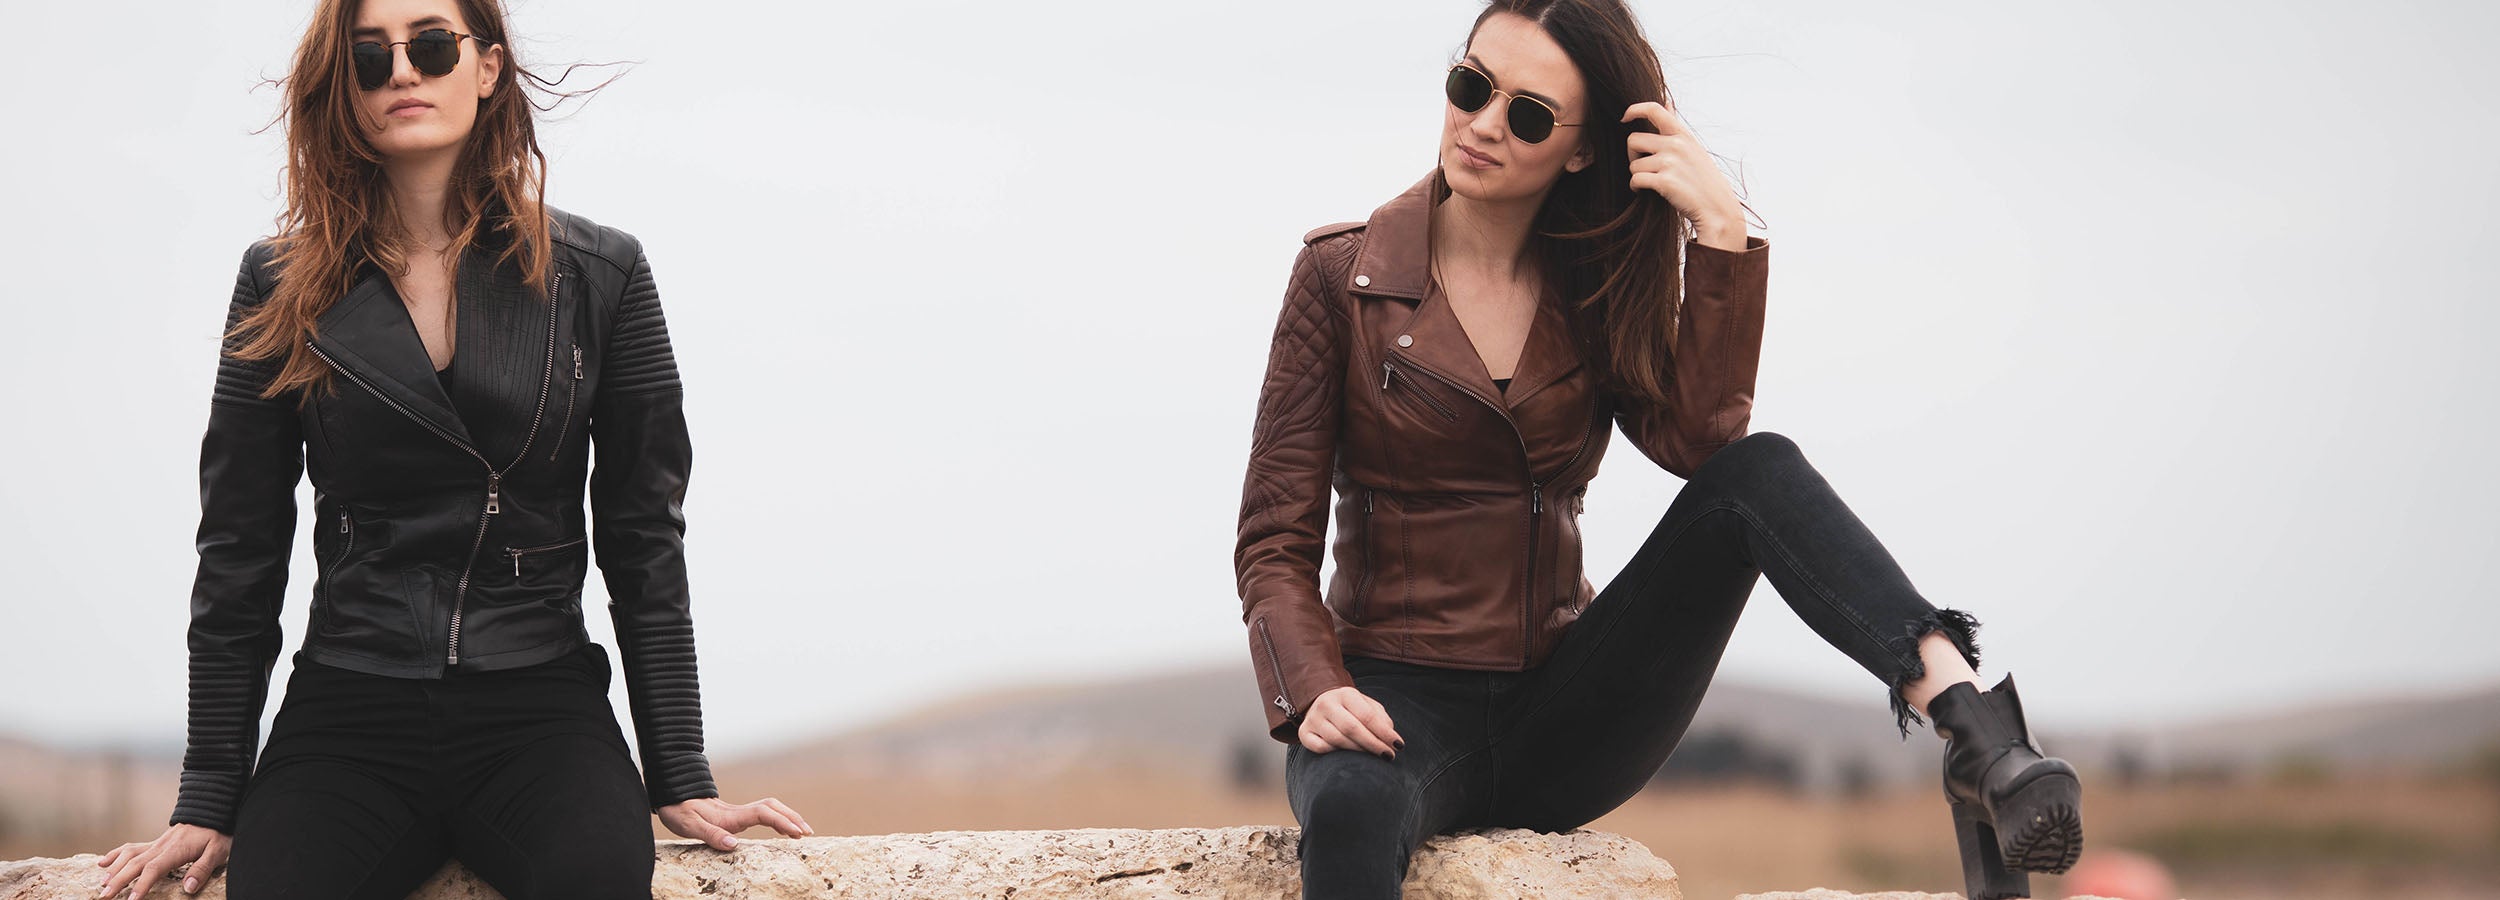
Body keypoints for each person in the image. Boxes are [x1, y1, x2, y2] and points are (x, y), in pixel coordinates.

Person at [1230, 2, 2083, 898]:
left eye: (1527, 114)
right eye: (1470, 86)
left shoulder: (1591, 291)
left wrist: (1721, 234)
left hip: (1565, 711)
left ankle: (1979, 737)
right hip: (1390, 709)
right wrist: (1316, 690)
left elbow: (1703, 448)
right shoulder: (1342, 277)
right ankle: (1982, 749)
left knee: (1758, 470)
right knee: (1351, 807)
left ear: (1583, 148)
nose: (1481, 125)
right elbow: (1272, 540)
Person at [96, 0, 809, 896]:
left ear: (488, 68)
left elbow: (642, 534)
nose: (401, 71)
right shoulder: (276, 284)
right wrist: (207, 793)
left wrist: (679, 769)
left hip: (540, 705)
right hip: (347, 708)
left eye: (432, 45)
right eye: (368, 57)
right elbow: (240, 544)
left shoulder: (602, 275)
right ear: (342, 89)